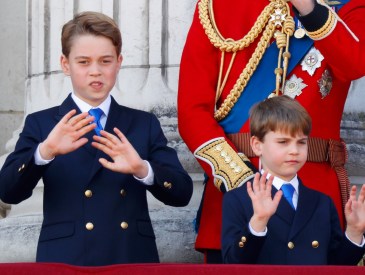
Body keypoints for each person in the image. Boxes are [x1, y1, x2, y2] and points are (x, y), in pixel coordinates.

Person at [178, 0, 365, 263]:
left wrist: (309, 8)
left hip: (313, 200)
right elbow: (192, 113)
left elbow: (355, 63)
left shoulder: (346, 5)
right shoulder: (215, 7)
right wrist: (244, 185)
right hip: (235, 197)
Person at [0, 11, 193, 266]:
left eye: (105, 61)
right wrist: (44, 152)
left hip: (129, 256)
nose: (95, 72)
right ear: (65, 64)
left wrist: (141, 169)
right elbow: (8, 191)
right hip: (67, 259)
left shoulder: (143, 124)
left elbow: (182, 194)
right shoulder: (42, 123)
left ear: (118, 62)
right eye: (83, 62)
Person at [221, 95, 365, 265]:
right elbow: (232, 263)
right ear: (257, 145)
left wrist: (355, 232)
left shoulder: (322, 202)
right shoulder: (239, 199)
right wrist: (258, 221)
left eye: (301, 142)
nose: (294, 151)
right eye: (283, 142)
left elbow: (337, 266)